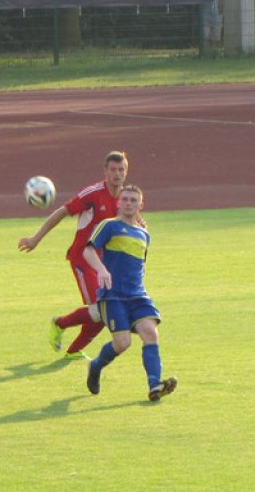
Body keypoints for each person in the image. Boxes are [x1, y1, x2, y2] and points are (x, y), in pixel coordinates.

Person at [18, 150, 132, 360]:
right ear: (105, 172)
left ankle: (73, 351)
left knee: (102, 314)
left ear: (126, 172)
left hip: (104, 264)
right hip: (82, 258)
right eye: (113, 169)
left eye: (121, 169)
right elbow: (61, 212)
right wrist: (36, 239)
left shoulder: (127, 199)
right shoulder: (92, 193)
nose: (117, 173)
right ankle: (59, 324)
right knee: (100, 310)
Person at [82, 185, 177, 402]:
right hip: (112, 295)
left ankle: (155, 385)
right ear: (119, 202)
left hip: (137, 295)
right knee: (123, 343)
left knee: (150, 333)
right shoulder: (109, 226)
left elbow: (139, 266)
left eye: (133, 200)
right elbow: (88, 251)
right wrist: (102, 270)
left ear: (140, 205)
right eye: (125, 199)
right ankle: (95, 366)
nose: (128, 203)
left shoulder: (144, 234)